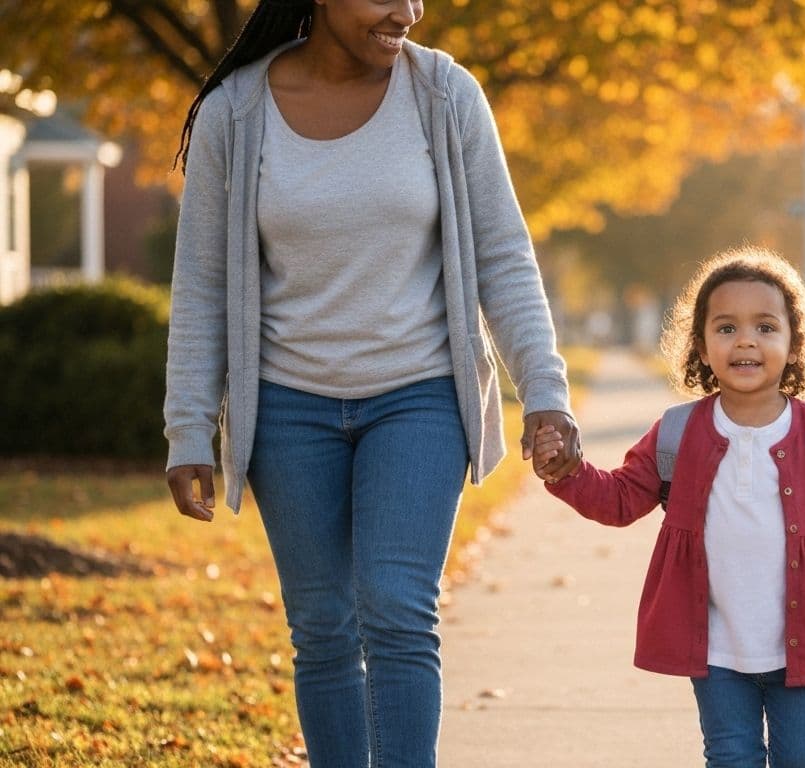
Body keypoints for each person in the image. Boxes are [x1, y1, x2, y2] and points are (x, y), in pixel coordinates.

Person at [161, 1, 581, 765]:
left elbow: (503, 256)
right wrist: (189, 425)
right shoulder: (236, 111)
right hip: (288, 407)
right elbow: (201, 285)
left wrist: (544, 393)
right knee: (321, 626)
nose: (409, 11)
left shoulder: (444, 94)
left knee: (395, 608)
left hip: (418, 395)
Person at [531, 247, 805, 767]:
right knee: (731, 758)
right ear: (702, 347)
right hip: (715, 648)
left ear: (795, 345)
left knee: (803, 759)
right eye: (727, 327)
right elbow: (619, 499)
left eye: (765, 327)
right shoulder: (678, 432)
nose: (746, 340)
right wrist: (567, 472)